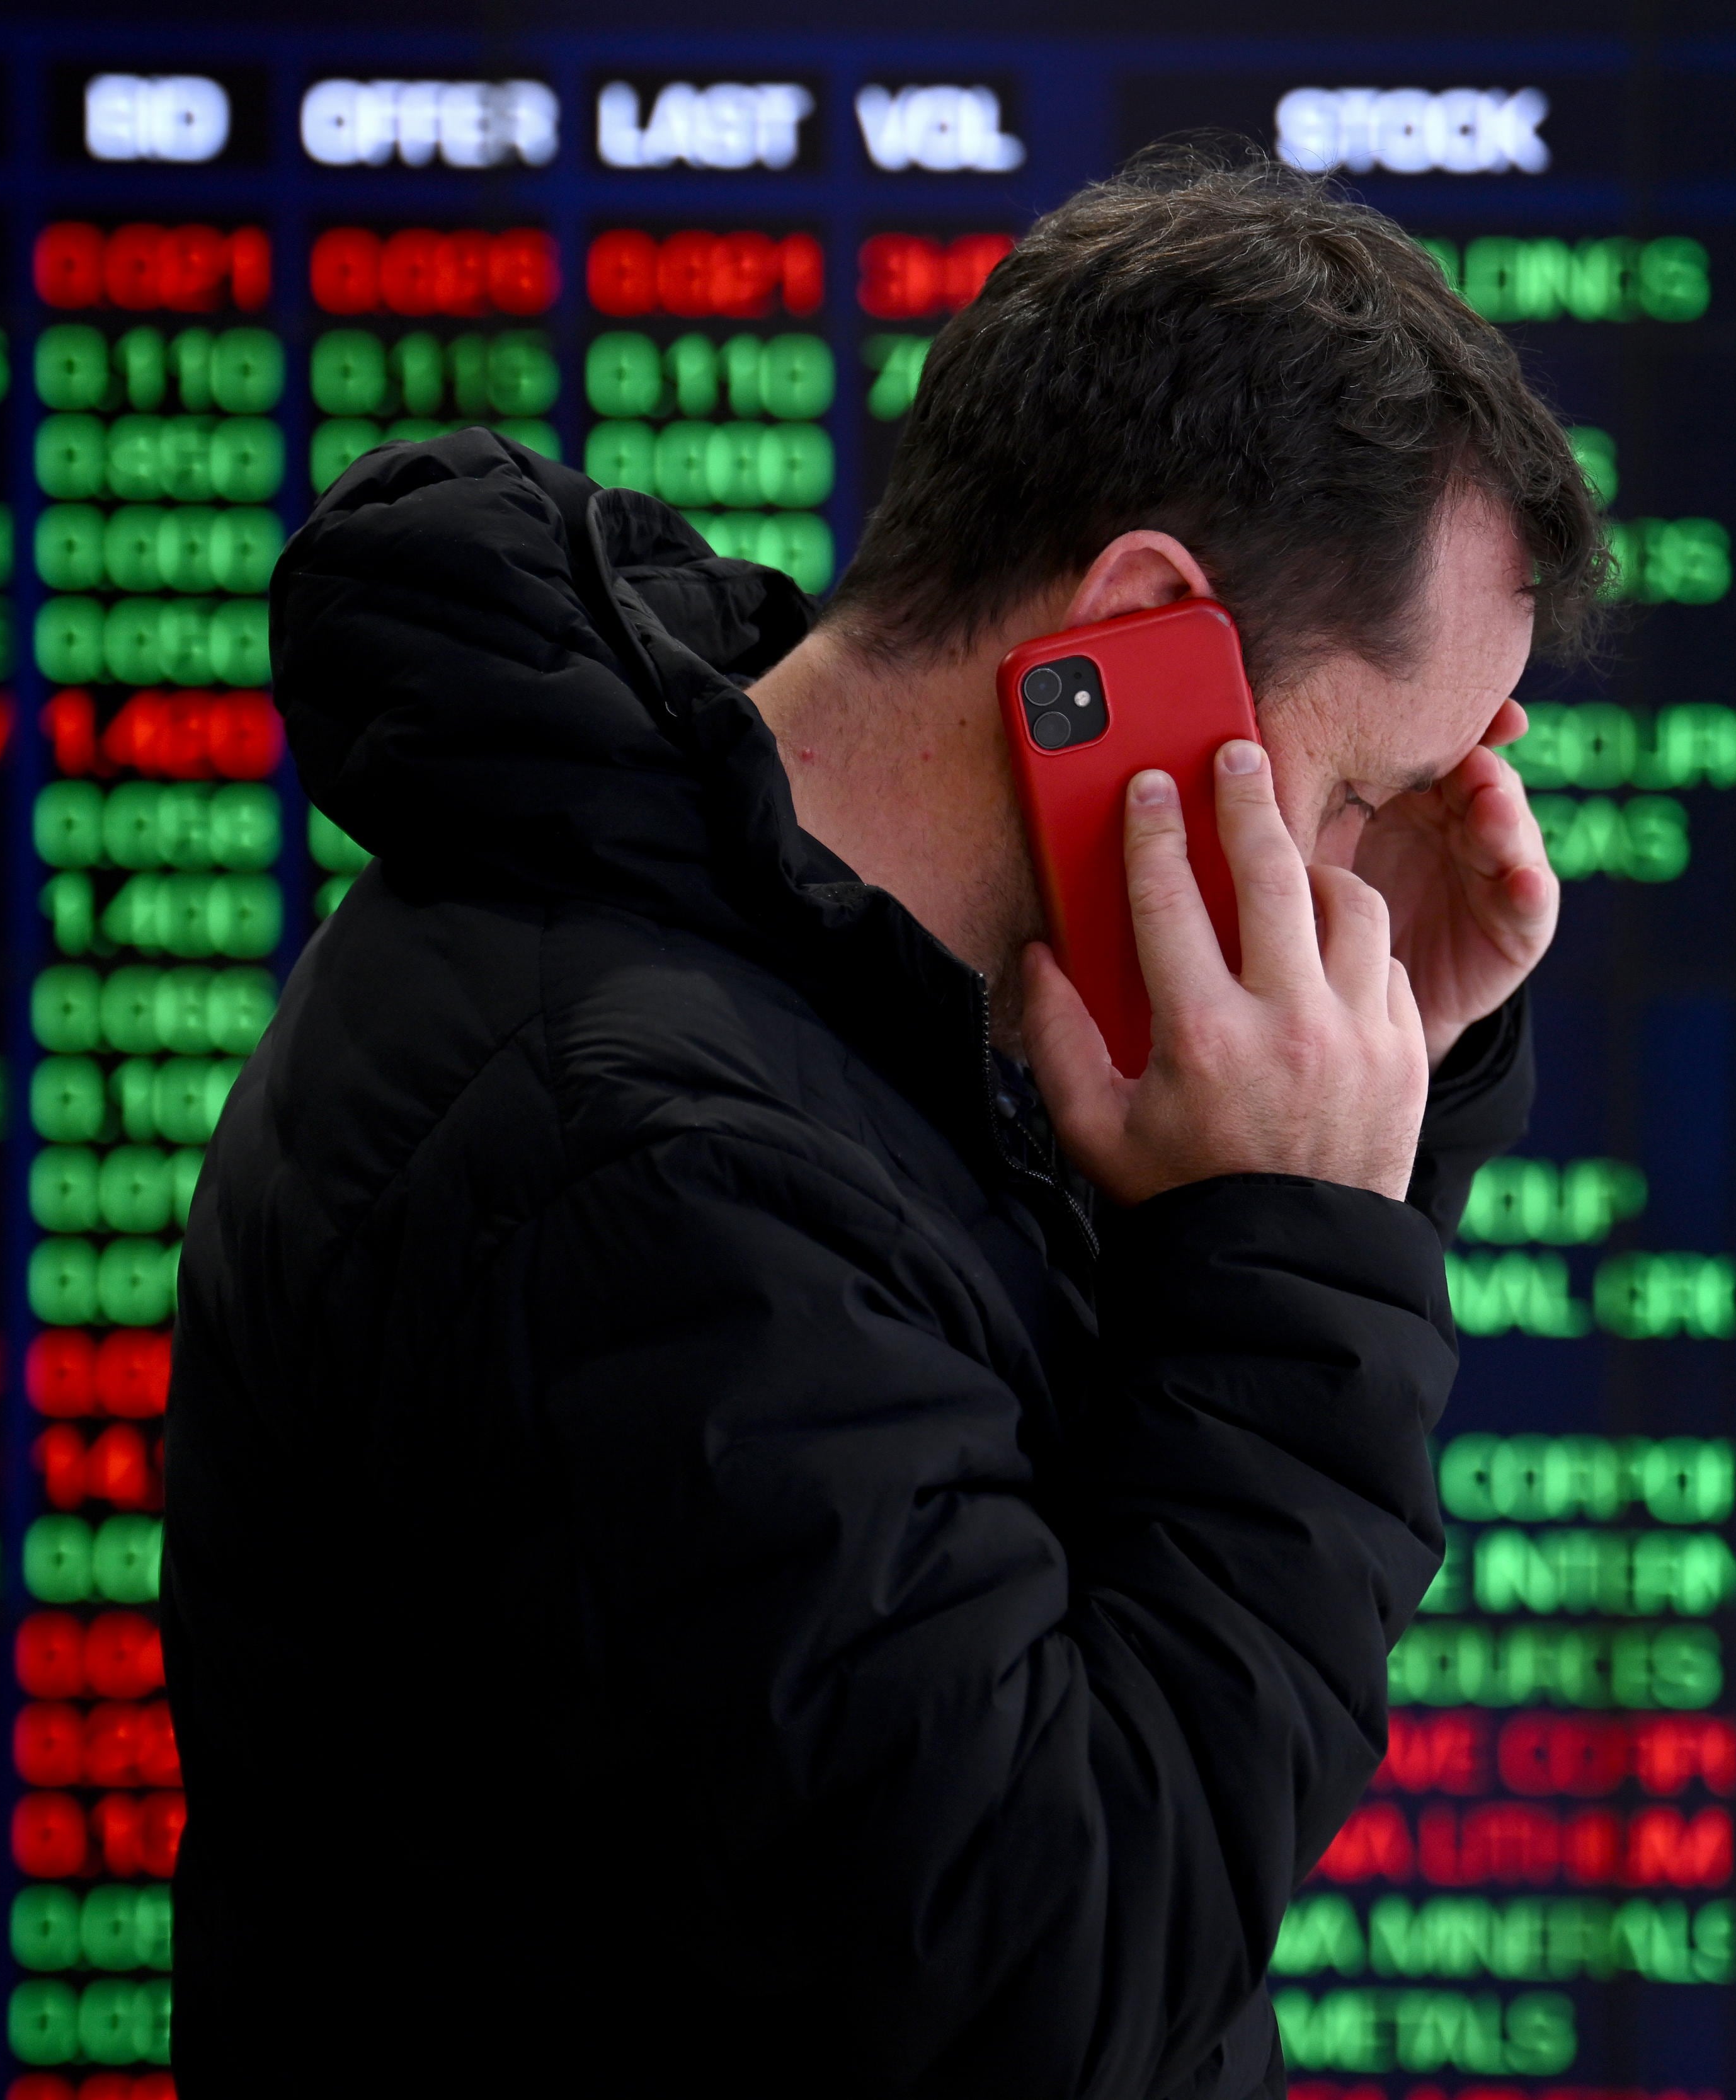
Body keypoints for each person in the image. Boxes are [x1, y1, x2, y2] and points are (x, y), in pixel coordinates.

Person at [162, 150, 1604, 2096]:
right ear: (1133, 642)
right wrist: (1287, 1250)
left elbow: (1089, 1564)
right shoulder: (649, 1158)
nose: (1353, 885)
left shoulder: (839, 1008)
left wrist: (1387, 1090)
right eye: (1370, 791)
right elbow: (1052, 1983)